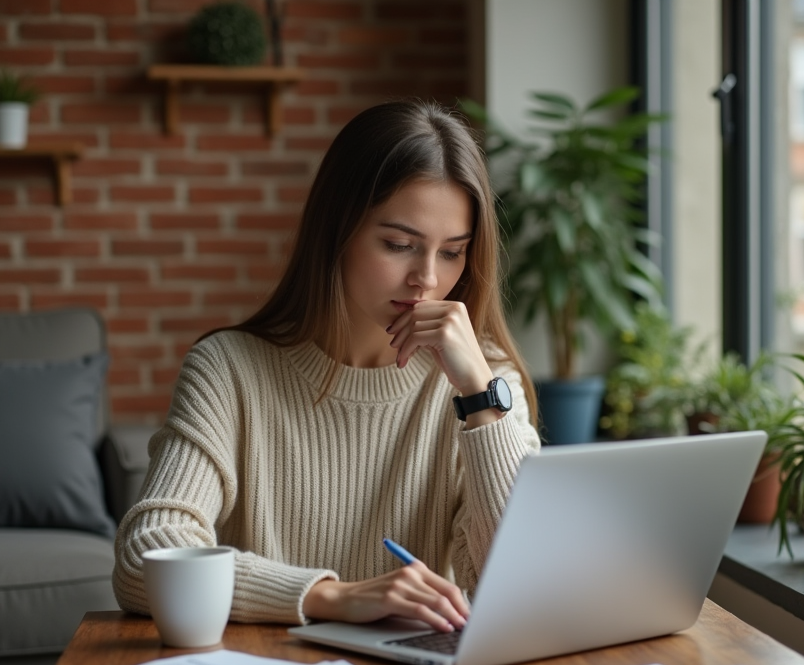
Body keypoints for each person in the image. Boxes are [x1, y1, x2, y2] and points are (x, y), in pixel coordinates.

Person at [112, 100, 541, 635]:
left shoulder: (485, 382)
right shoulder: (228, 370)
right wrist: (329, 596)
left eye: (452, 252)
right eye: (399, 244)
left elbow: (523, 587)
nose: (427, 279)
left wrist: (480, 397)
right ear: (336, 231)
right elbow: (145, 561)